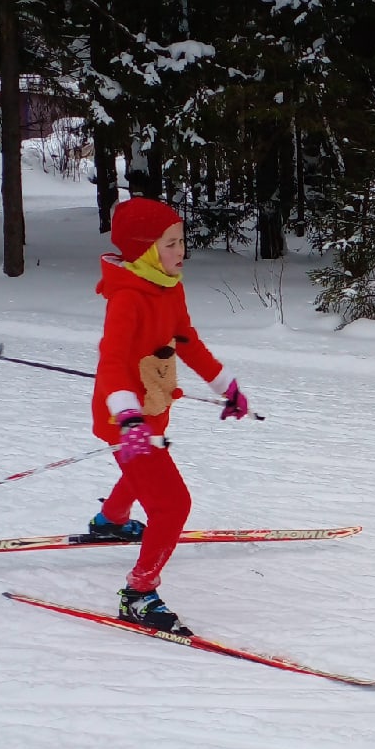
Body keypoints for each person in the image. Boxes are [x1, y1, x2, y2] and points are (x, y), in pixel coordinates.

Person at [90, 197, 249, 635]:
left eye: (182, 242)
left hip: (154, 407)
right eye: (171, 243)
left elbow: (187, 340)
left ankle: (111, 522)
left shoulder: (167, 286)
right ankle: (138, 594)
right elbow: (112, 365)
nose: (182, 252)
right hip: (125, 417)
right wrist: (128, 418)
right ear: (145, 250)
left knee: (146, 469)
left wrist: (225, 386)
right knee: (172, 503)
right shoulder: (127, 299)